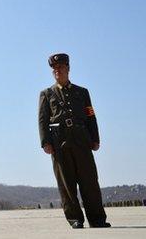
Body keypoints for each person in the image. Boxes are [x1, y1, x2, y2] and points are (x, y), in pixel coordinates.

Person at [38, 53, 110, 229]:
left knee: (90, 182)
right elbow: (42, 119)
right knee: (66, 185)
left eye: (61, 67)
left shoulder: (82, 92)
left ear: (68, 69)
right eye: (54, 69)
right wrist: (45, 142)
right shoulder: (47, 94)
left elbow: (91, 116)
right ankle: (75, 219)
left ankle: (97, 220)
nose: (57, 71)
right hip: (59, 143)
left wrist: (95, 138)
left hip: (82, 141)